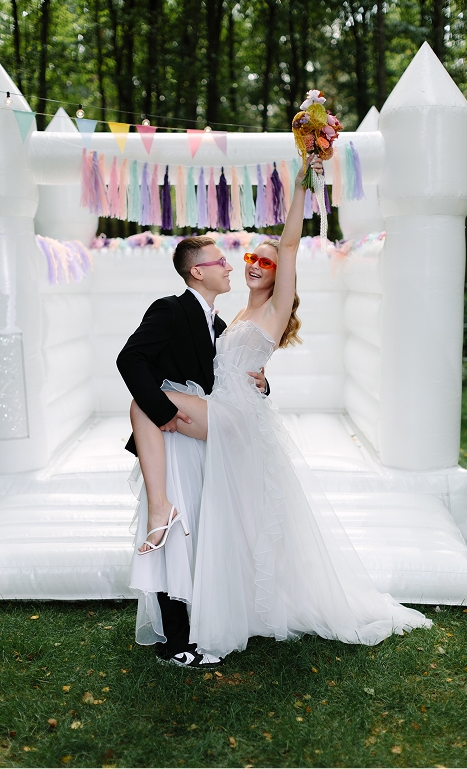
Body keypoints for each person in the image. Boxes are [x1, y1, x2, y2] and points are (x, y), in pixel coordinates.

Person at [128, 156, 432, 661]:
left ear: (279, 275)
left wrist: (302, 184)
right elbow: (227, 369)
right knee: (225, 514)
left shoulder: (275, 306)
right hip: (226, 408)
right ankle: (204, 586)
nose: (252, 264)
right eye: (249, 257)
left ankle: (161, 507)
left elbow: (289, 244)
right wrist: (262, 383)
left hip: (235, 418)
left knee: (144, 404)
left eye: (265, 263)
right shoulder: (230, 316)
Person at [116, 235, 268, 668]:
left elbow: (231, 382)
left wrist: (262, 384)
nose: (230, 266)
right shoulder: (170, 309)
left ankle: (200, 627)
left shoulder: (220, 327)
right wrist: (162, 411)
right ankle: (176, 644)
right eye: (221, 261)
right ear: (197, 271)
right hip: (170, 441)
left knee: (200, 534)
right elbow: (130, 359)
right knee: (173, 537)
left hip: (203, 441)